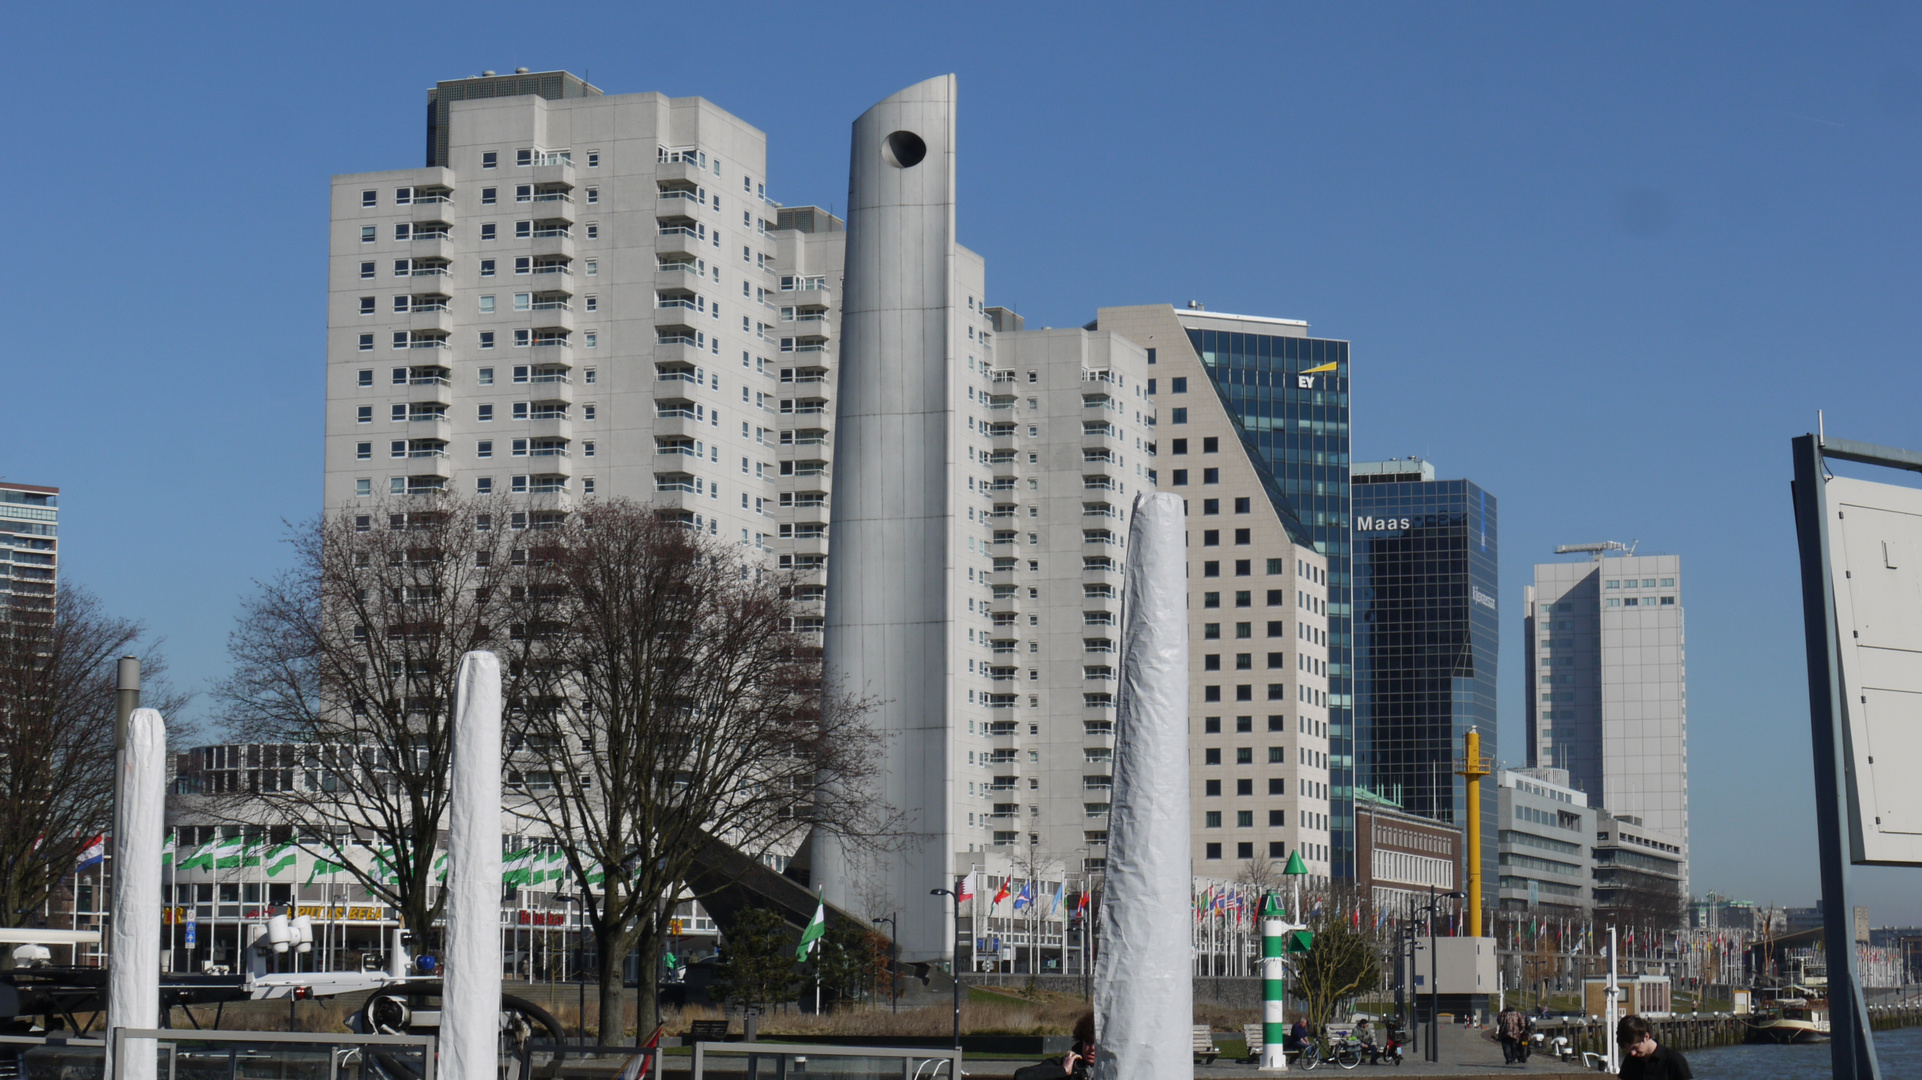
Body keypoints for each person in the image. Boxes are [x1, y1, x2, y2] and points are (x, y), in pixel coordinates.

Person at [1616, 1014, 1692, 1079]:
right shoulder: (1629, 1061)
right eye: (1628, 1049)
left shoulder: (1674, 1061)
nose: (1632, 1053)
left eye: (1635, 1048)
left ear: (1646, 1036)